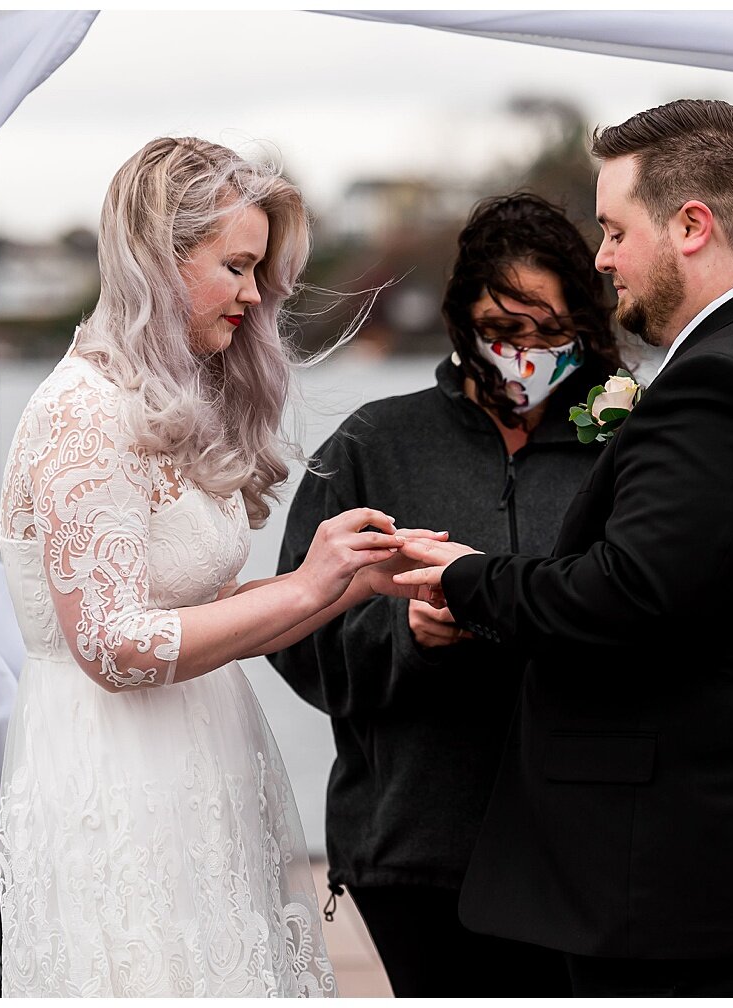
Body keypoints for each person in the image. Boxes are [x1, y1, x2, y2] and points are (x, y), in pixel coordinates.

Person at [387, 100, 733, 997]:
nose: (601, 258)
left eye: (613, 229)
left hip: (709, 877)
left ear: (691, 225)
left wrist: (467, 579)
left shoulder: (725, 381)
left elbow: (627, 596)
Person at [0, 137, 439, 997]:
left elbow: (193, 612)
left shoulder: (168, 398)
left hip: (201, 765)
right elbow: (113, 645)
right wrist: (309, 584)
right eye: (236, 267)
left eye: (260, 273)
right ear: (159, 255)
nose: (251, 295)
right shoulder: (82, 415)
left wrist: (345, 581)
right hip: (115, 781)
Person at [268, 193, 625, 996]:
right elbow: (296, 632)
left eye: (548, 332)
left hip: (588, 845)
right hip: (415, 848)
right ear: (461, 321)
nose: (522, 354)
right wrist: (409, 637)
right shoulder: (375, 444)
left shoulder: (626, 445)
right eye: (501, 332)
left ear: (586, 330)